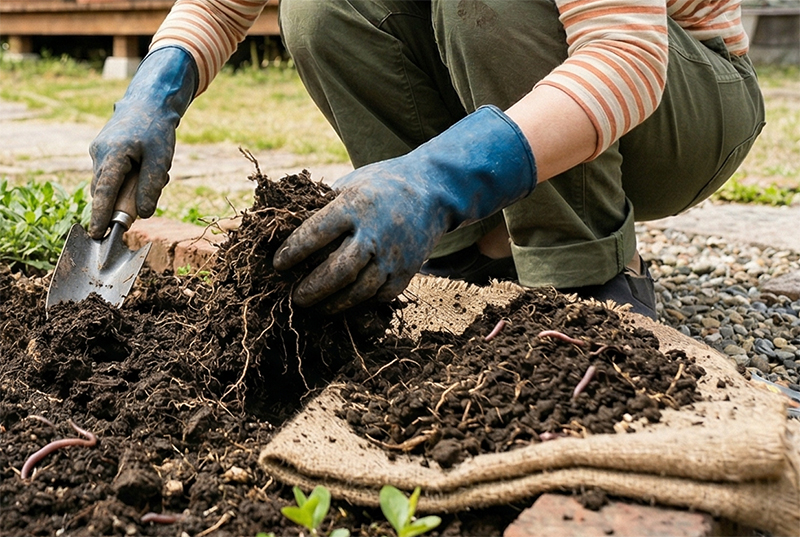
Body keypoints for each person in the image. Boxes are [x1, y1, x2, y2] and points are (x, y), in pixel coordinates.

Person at [89, 0, 765, 320]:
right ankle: (468, 252)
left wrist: (435, 177)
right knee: (320, 8)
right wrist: (158, 89)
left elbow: (626, 56)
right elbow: (221, 5)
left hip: (685, 105)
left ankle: (583, 269)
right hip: (564, 75)